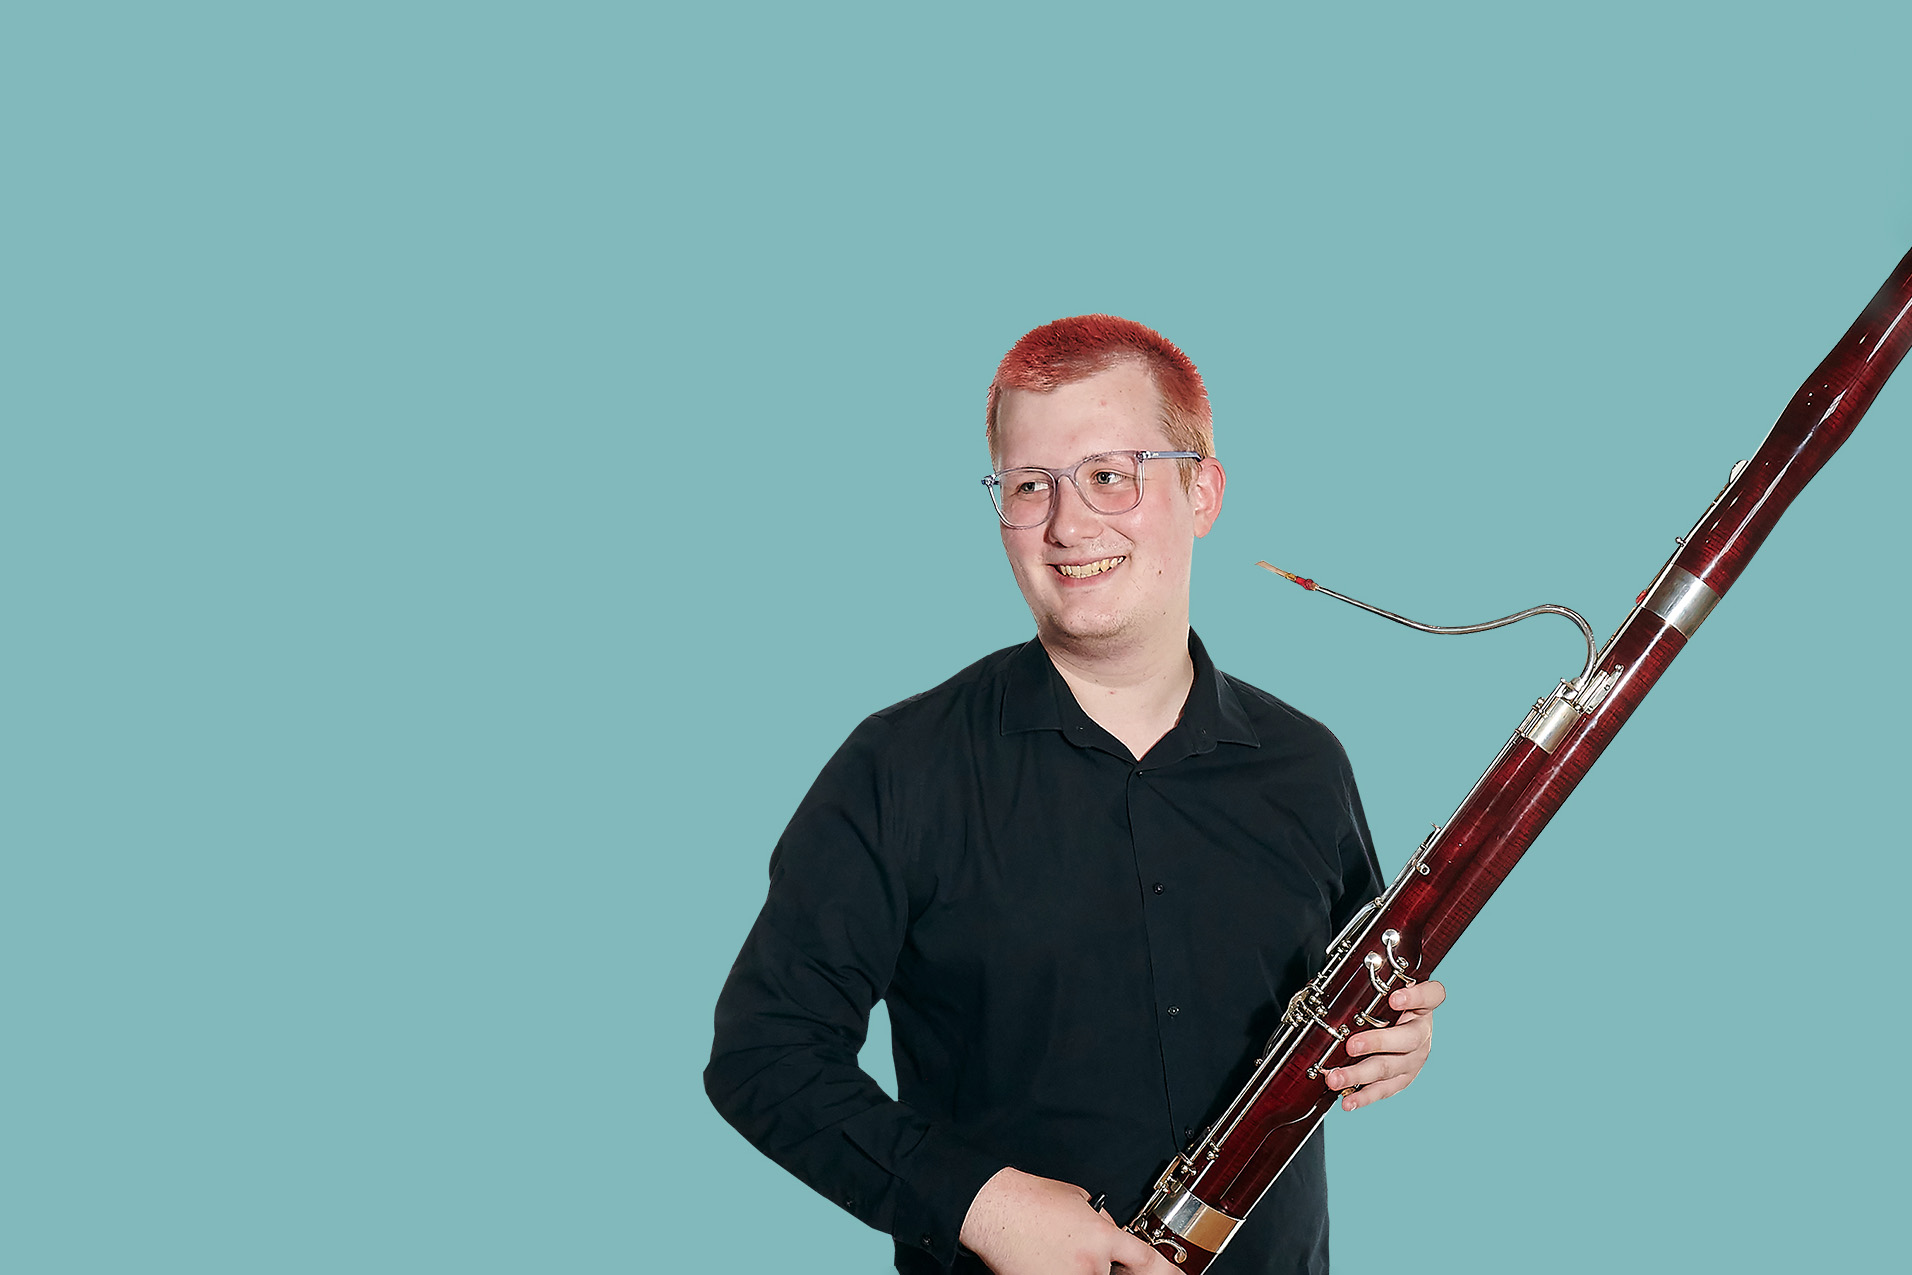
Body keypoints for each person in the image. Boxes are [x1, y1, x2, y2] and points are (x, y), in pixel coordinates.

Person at [705, 316, 1445, 1274]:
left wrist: (1398, 1037)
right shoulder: (899, 766)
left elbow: (1355, 994)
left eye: (1110, 474)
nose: (1067, 524)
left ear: (1202, 490)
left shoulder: (1308, 764)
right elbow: (764, 1056)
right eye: (1028, 486)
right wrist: (977, 1203)